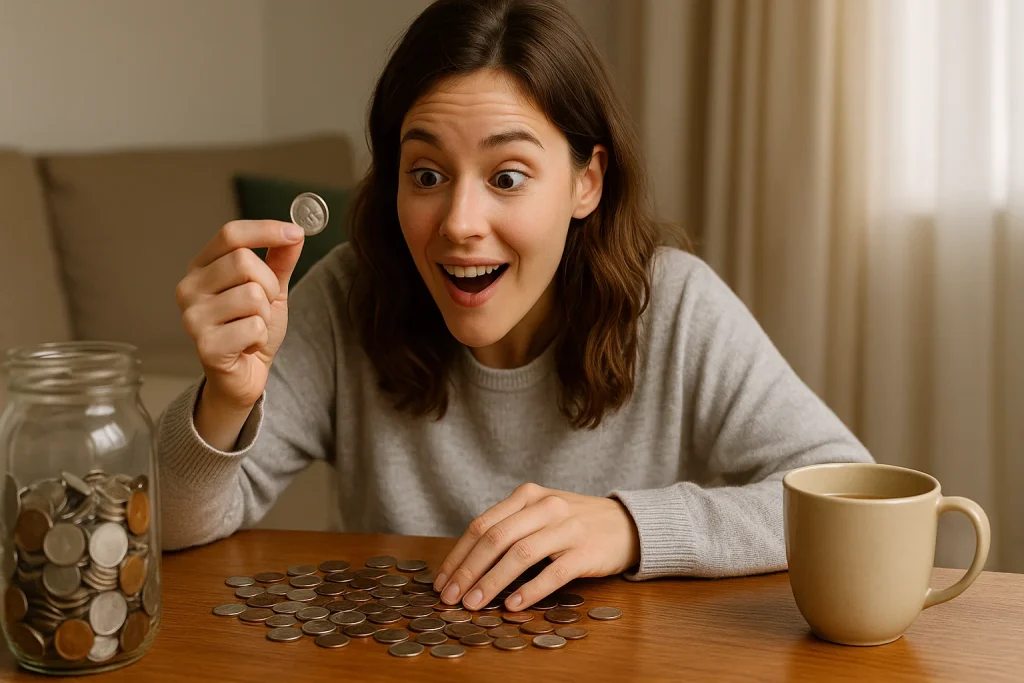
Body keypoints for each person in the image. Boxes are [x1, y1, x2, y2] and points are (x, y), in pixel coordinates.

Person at [159, 0, 873, 613]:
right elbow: (166, 523)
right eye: (427, 174)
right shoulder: (351, 292)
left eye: (506, 176)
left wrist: (627, 527)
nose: (460, 221)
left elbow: (848, 499)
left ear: (586, 181)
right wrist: (225, 397)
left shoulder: (675, 303)